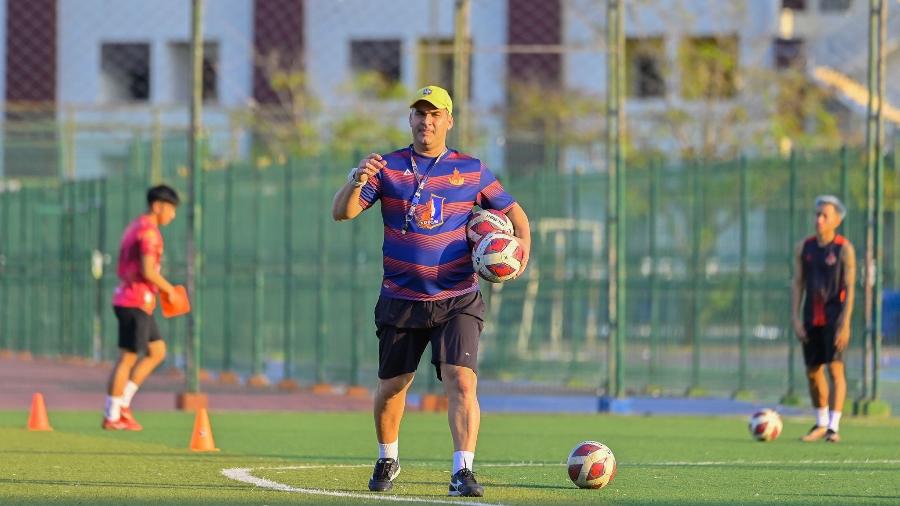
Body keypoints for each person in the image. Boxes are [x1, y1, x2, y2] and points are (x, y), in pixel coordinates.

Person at [332, 85, 531, 497]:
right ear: (410, 119)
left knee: (462, 382)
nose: (427, 121)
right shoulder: (386, 167)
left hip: (457, 296)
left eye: (435, 114)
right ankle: (388, 456)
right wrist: (356, 179)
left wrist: (522, 246)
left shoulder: (471, 169)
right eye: (420, 114)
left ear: (448, 120)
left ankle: (463, 472)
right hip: (402, 298)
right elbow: (342, 213)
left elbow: (513, 212)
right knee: (392, 386)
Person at [103, 185, 182, 431]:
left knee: (157, 351)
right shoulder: (149, 233)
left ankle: (123, 405)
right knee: (127, 357)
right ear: (158, 206)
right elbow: (148, 271)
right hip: (133, 301)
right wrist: (169, 289)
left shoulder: (136, 226)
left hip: (138, 301)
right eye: (171, 209)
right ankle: (113, 414)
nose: (173, 215)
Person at [792, 195, 855, 443]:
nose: (818, 219)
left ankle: (833, 427)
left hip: (834, 317)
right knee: (812, 371)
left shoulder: (844, 249)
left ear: (836, 220)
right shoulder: (804, 247)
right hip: (811, 316)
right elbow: (798, 284)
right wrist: (795, 319)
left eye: (824, 215)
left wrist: (845, 323)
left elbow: (850, 288)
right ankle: (820, 423)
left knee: (835, 369)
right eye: (816, 214)